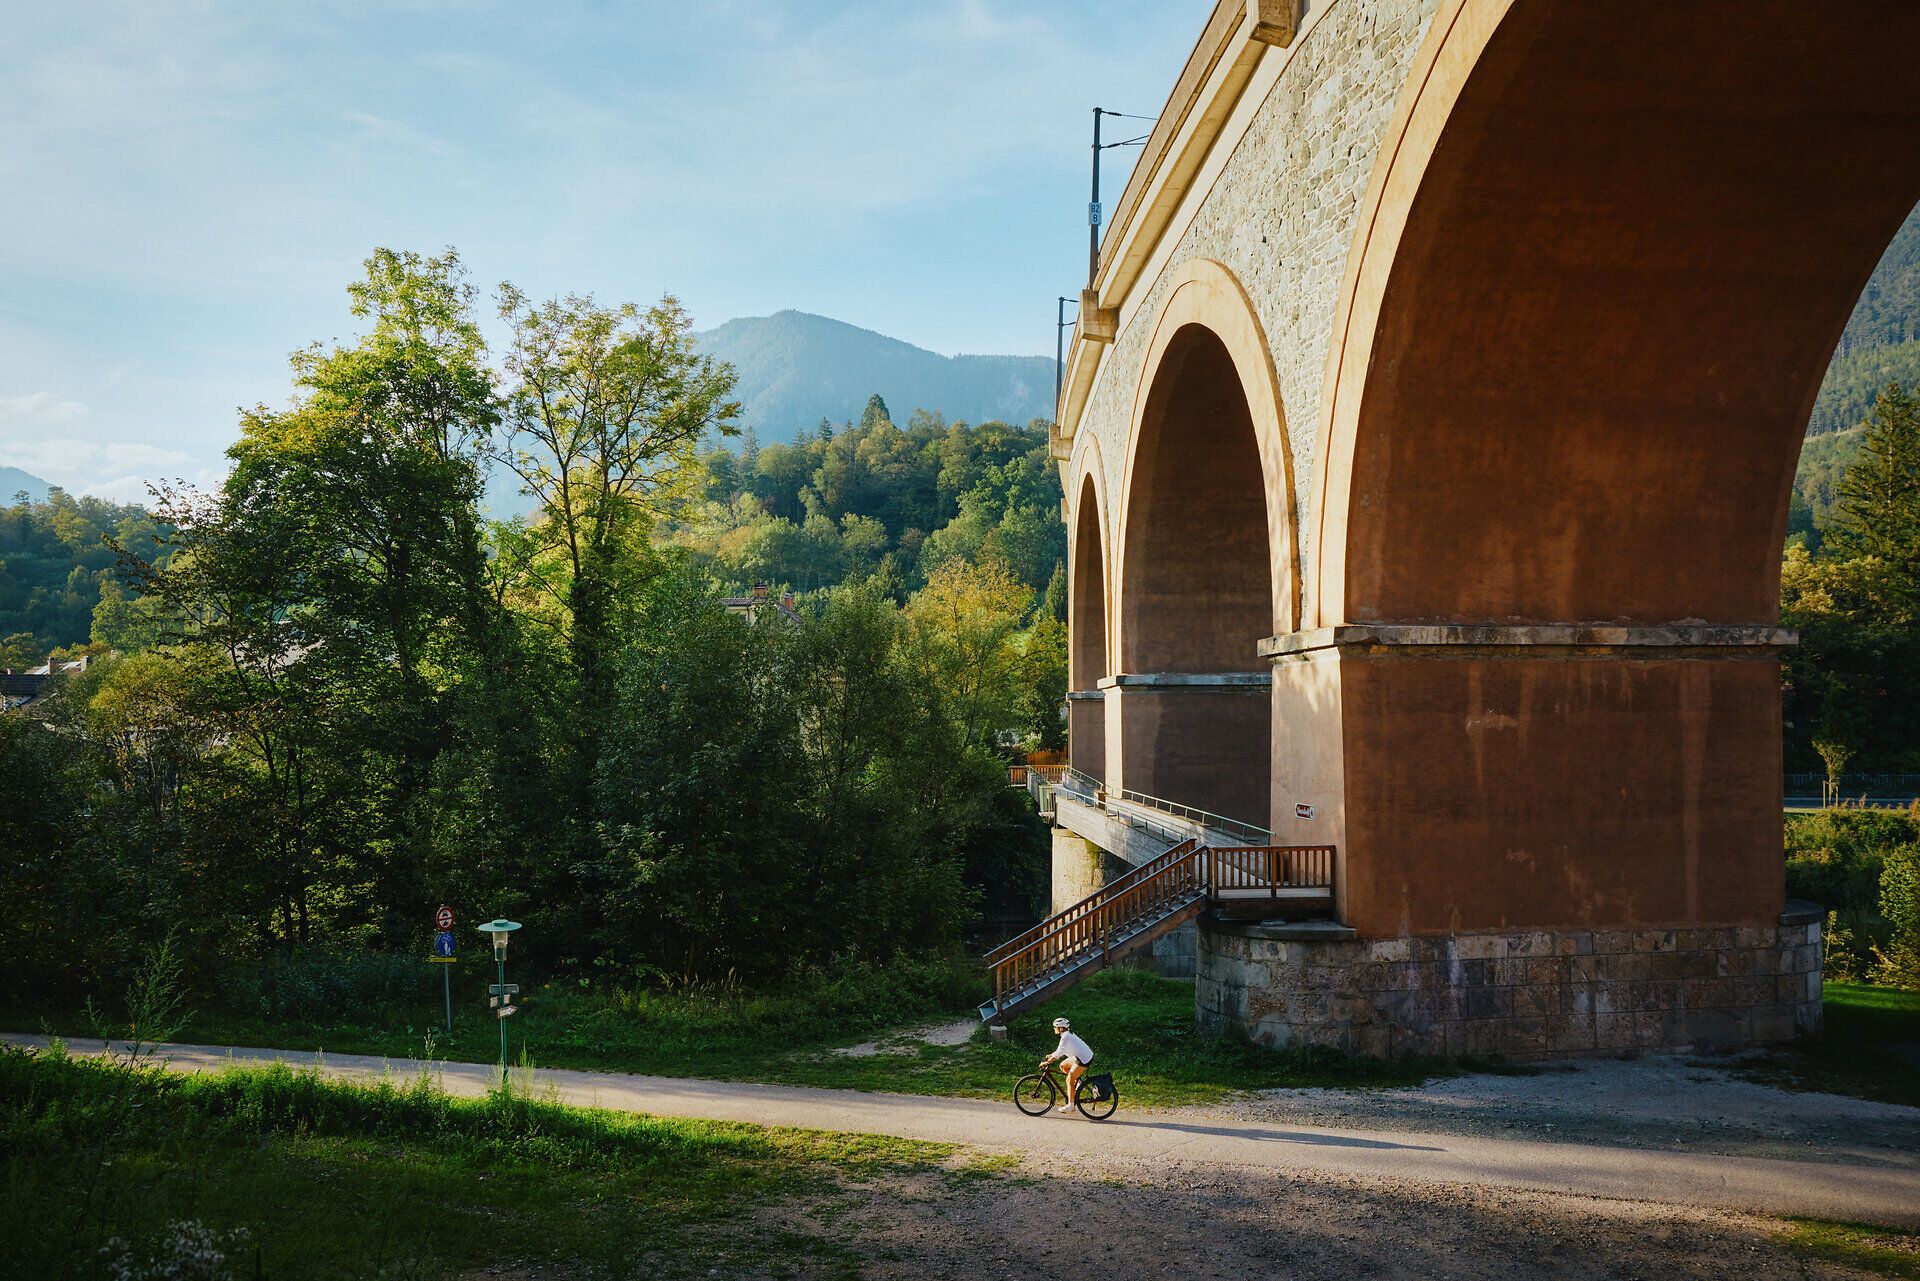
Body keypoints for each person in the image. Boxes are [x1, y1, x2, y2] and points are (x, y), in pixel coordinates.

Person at [1039, 1016, 1094, 1112]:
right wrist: (1051, 1055)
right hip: (1080, 1055)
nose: (1054, 1029)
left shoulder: (1065, 1037)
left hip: (1084, 1058)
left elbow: (1058, 1054)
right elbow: (1060, 1051)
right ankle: (1079, 1084)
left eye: (1055, 1027)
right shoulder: (1067, 1035)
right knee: (1063, 1066)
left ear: (1060, 1028)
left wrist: (1047, 1062)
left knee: (1069, 1079)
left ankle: (1071, 1106)